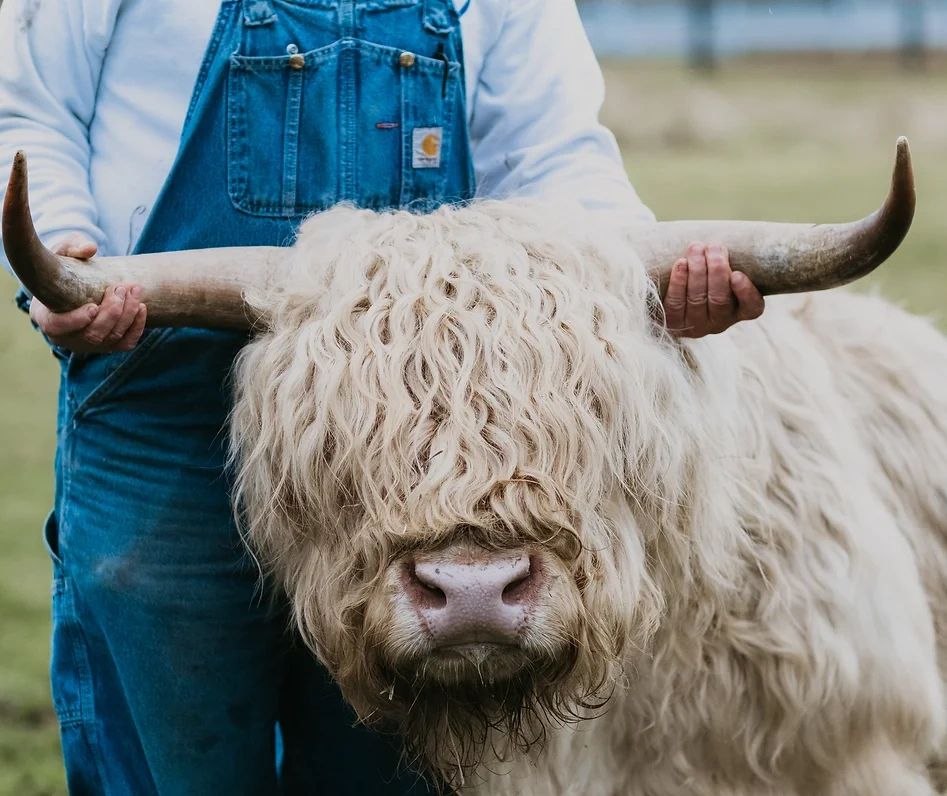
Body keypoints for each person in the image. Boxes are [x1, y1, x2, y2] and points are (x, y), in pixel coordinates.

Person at [0, 0, 764, 792]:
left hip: (427, 440)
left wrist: (631, 284)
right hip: (161, 399)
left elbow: (552, 157)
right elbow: (29, 109)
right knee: (171, 764)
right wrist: (60, 245)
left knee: (390, 769)